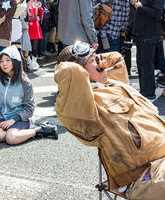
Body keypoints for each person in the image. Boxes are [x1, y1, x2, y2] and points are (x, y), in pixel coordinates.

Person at [55, 41, 165, 199]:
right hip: (145, 175)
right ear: (81, 70)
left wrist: (94, 61)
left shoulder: (114, 85)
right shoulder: (84, 109)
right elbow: (70, 71)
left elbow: (117, 58)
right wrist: (76, 61)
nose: (102, 63)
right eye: (93, 61)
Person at [0, 45, 58, 145]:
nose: (4, 64)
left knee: (11, 138)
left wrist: (13, 120)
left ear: (15, 61)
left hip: (19, 118)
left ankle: (39, 130)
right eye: (1, 61)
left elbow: (29, 108)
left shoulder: (25, 82)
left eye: (8, 60)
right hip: (2, 119)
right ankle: (20, 133)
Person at [130, 0, 165, 99]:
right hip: (143, 33)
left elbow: (157, 13)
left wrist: (138, 6)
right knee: (142, 64)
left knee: (146, 65)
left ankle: (148, 93)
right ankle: (144, 91)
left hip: (149, 34)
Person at [26, 0, 43, 71]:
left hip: (36, 28)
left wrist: (40, 9)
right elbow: (25, 17)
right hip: (29, 28)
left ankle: (34, 62)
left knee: (35, 46)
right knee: (29, 46)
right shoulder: (25, 5)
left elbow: (41, 15)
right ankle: (29, 63)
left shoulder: (37, 5)